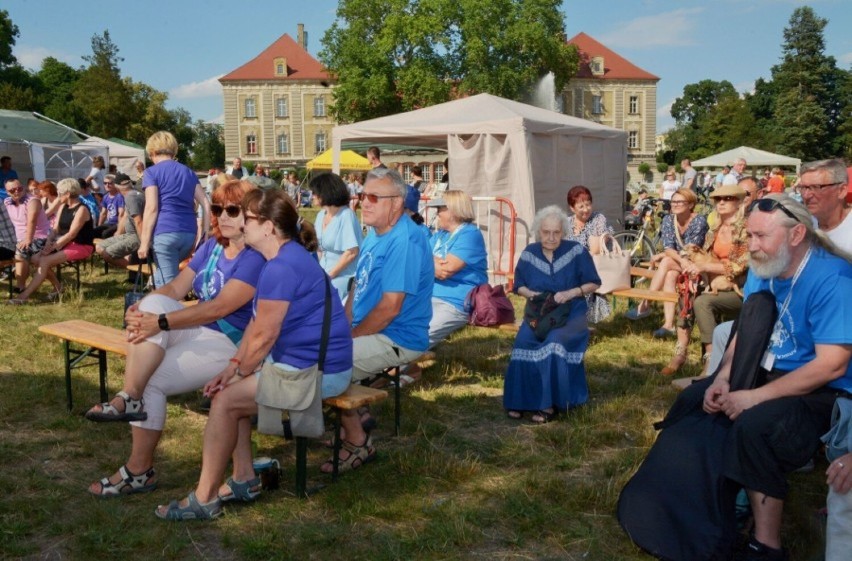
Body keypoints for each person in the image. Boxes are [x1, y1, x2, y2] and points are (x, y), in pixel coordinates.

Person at [153, 189, 354, 520]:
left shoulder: (281, 267)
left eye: (247, 218)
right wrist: (233, 368)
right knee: (230, 394)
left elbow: (263, 336)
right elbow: (257, 327)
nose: (240, 223)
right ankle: (243, 477)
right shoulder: (282, 259)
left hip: (317, 373)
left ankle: (204, 499)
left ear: (269, 227)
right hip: (310, 365)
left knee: (225, 402)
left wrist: (236, 373)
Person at [83, 180, 265, 497]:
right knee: (151, 302)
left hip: (232, 342)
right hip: (198, 329)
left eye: (232, 210)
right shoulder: (212, 247)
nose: (223, 216)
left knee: (153, 376)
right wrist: (145, 308)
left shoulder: (255, 257)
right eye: (218, 208)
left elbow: (219, 308)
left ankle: (138, 469)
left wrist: (161, 322)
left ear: (251, 215)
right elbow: (176, 289)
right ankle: (131, 396)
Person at [701, 195, 851, 559]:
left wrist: (751, 397)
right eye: (749, 235)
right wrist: (723, 377)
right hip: (772, 373)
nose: (751, 246)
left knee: (753, 425)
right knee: (701, 406)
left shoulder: (834, 279)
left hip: (825, 391)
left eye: (760, 237)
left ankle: (766, 545)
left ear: (797, 234)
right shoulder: (764, 267)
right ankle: (714, 513)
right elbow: (744, 331)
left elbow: (831, 365)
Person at [327, 167, 433, 473]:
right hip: (375, 330)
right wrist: (341, 328)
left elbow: (390, 308)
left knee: (329, 362)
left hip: (400, 338)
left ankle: (359, 442)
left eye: (374, 197)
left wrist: (350, 338)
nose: (364, 203)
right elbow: (357, 288)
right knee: (316, 349)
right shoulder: (375, 232)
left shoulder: (406, 240)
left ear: (397, 203)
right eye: (362, 196)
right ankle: (353, 418)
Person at [504, 205, 601, 423]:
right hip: (539, 313)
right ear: (538, 232)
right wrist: (531, 293)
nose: (551, 237)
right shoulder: (530, 253)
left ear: (563, 232)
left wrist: (570, 293)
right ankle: (520, 401)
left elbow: (594, 282)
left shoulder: (576, 251)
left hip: (571, 313)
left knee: (553, 344)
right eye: (546, 232)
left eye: (556, 232)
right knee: (522, 343)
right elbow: (518, 285)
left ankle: (549, 404)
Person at [396, 191, 487, 384]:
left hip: (454, 302)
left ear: (454, 211)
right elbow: (417, 259)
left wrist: (426, 258)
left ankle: (384, 374)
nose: (437, 213)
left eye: (440, 208)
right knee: (395, 324)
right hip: (428, 296)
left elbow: (446, 271)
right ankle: (404, 369)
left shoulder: (471, 234)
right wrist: (433, 262)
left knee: (417, 334)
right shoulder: (440, 236)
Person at [662, 183, 749, 375]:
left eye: (728, 199)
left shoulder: (746, 229)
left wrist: (705, 267)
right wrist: (696, 274)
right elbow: (705, 257)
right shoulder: (715, 229)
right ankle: (681, 351)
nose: (722, 203)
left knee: (702, 302)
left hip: (741, 288)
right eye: (718, 199)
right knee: (687, 293)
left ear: (739, 203)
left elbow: (741, 266)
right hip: (713, 281)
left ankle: (711, 359)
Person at [625, 188, 709, 338]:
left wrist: (670, 256)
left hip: (696, 263)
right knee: (670, 274)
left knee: (666, 261)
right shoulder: (668, 219)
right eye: (673, 201)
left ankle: (645, 304)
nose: (674, 204)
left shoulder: (699, 221)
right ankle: (668, 324)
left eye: (679, 202)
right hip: (678, 261)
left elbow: (692, 250)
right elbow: (669, 248)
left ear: (690, 205)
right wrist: (673, 257)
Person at [138, 131, 211, 286]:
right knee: (163, 276)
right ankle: (153, 305)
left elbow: (151, 208)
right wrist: (204, 235)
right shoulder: (188, 172)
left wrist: (144, 242)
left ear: (152, 151)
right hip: (188, 234)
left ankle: (167, 308)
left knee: (168, 286)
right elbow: (206, 203)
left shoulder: (151, 172)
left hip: (165, 232)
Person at [10, 178, 94, 304]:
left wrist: (53, 246)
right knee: (35, 258)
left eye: (59, 193)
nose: (57, 195)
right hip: (65, 243)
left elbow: (72, 234)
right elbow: (55, 229)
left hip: (81, 245)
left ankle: (24, 296)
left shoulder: (82, 209)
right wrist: (49, 241)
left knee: (43, 261)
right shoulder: (63, 207)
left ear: (68, 194)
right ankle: (58, 288)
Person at [565, 185, 613, 323]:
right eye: (581, 206)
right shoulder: (567, 223)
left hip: (593, 268)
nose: (586, 210)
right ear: (572, 208)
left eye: (588, 205)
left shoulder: (598, 219)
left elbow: (595, 251)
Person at [311, 173, 363, 302]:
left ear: (325, 193)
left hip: (344, 276)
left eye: (314, 192)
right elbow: (320, 251)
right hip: (325, 274)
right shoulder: (320, 216)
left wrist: (328, 276)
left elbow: (351, 253)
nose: (312, 196)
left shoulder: (346, 215)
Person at [4, 179, 50, 294]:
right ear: (7, 192)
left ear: (24, 187)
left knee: (22, 253)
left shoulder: (32, 201)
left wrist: (28, 239)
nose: (16, 191)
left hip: (40, 235)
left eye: (19, 188)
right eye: (12, 190)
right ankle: (21, 285)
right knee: (20, 253)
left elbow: (32, 221)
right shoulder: (7, 202)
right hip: (19, 238)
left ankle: (21, 286)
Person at [96, 173, 146, 272]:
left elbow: (139, 221)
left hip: (136, 235)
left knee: (107, 254)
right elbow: (125, 216)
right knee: (99, 247)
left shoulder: (131, 197)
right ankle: (133, 266)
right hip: (129, 234)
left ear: (117, 187)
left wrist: (144, 243)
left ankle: (135, 270)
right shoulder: (132, 193)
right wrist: (118, 232)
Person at [93, 174, 125, 239]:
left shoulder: (120, 196)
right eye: (105, 183)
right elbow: (103, 213)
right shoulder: (105, 197)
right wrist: (99, 226)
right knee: (94, 232)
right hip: (109, 223)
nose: (107, 185)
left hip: (117, 224)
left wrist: (119, 230)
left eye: (110, 183)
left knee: (105, 234)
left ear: (115, 184)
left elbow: (121, 214)